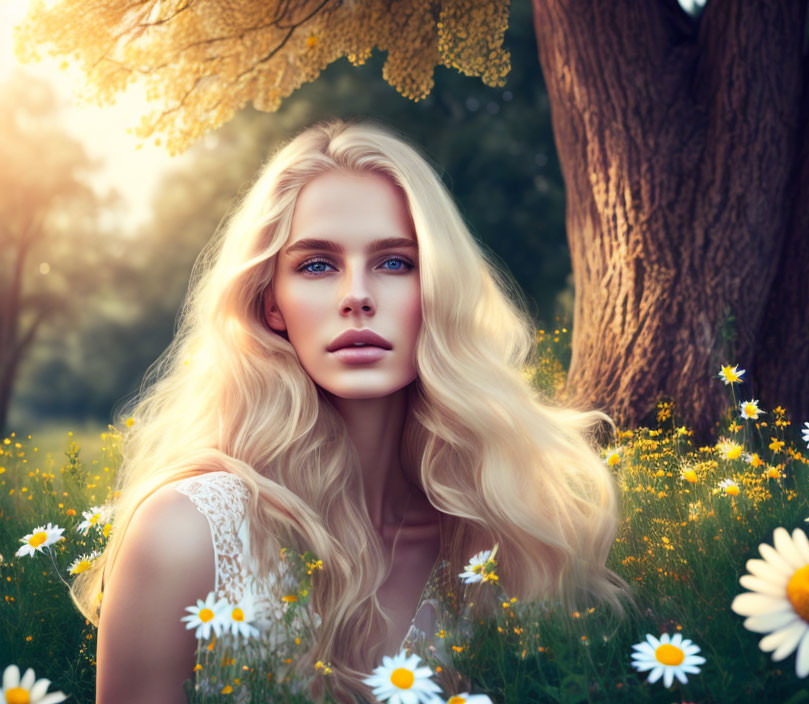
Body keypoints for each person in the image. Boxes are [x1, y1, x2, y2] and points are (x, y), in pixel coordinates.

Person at [72, 118, 633, 703]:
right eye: (317, 265)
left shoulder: (507, 538)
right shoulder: (187, 533)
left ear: (439, 291)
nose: (356, 296)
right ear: (272, 306)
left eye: (395, 262)